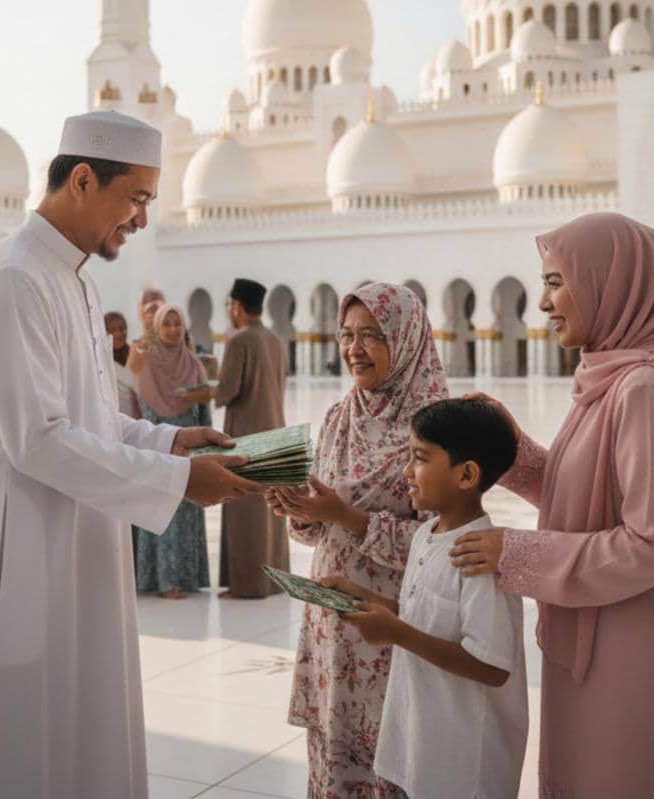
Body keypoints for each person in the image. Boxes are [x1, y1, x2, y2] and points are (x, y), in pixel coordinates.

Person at [0, 110, 264, 799]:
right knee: (21, 746)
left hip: (75, 549)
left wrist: (171, 440)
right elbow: (37, 439)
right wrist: (176, 479)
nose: (142, 219)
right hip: (19, 565)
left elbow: (86, 416)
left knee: (81, 737)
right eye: (136, 197)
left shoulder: (74, 281)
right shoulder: (13, 280)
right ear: (83, 179)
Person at [449, 213, 654, 797]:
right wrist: (513, 449)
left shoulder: (643, 388)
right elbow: (590, 498)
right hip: (604, 631)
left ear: (612, 283)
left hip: (635, 650)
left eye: (556, 281)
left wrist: (514, 553)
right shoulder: (611, 379)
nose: (543, 302)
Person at [266, 282, 448, 797]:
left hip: (393, 622)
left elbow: (439, 543)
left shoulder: (436, 426)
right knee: (337, 753)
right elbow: (315, 531)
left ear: (405, 338)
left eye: (372, 335)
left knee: (392, 758)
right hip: (332, 624)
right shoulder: (338, 417)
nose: (354, 349)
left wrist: (345, 515)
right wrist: (297, 510)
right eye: (346, 335)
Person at [327, 398, 527, 799]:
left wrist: (397, 633)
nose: (406, 471)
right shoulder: (426, 534)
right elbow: (428, 620)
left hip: (464, 766)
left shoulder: (479, 554)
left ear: (467, 474)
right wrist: (373, 603)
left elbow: (491, 666)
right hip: (420, 747)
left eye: (419, 458)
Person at [214, 277, 290, 598]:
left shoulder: (239, 341)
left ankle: (247, 586)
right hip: (275, 432)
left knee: (244, 510)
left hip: (245, 436)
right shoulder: (276, 341)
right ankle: (273, 581)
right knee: (270, 511)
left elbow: (227, 390)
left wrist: (210, 388)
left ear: (238, 307)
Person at [134, 303, 212, 599]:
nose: (172, 329)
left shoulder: (193, 362)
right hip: (160, 447)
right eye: (166, 324)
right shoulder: (148, 364)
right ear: (156, 327)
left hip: (190, 447)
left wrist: (206, 444)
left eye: (177, 323)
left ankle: (188, 577)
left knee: (187, 511)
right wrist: (162, 444)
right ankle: (164, 580)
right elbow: (144, 410)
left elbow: (204, 406)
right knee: (163, 511)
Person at [104, 311, 140, 418]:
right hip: (116, 420)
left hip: (140, 420)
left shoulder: (135, 354)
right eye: (113, 330)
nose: (119, 333)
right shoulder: (102, 362)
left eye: (122, 328)